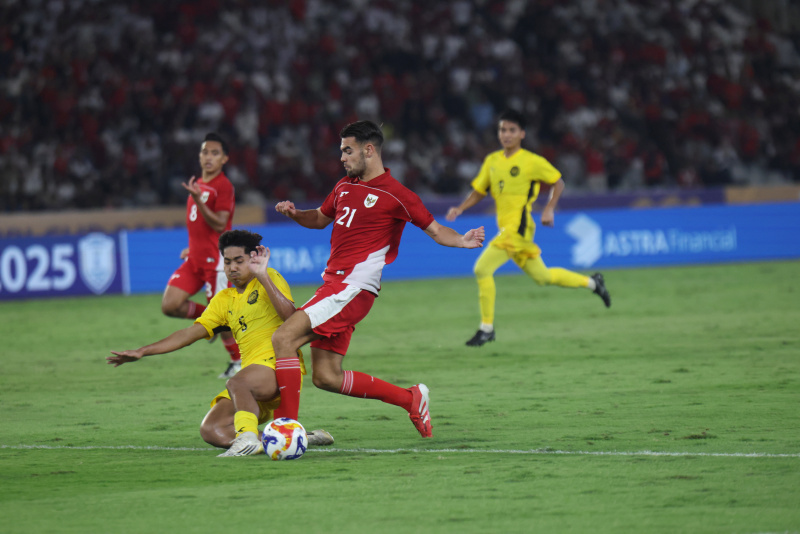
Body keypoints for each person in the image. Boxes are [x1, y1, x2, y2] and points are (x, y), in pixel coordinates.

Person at [270, 120, 486, 439]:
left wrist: (462, 241)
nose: (342, 158)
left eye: (348, 150)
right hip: (334, 285)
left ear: (369, 150)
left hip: (352, 289)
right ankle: (410, 398)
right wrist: (296, 214)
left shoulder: (398, 195)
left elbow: (436, 229)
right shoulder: (344, 187)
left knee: (282, 339)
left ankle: (285, 430)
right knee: (326, 376)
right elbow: (319, 218)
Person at [108, 230, 334, 456]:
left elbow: (291, 317)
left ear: (253, 259)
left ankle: (247, 439)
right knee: (211, 430)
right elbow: (189, 334)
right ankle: (296, 439)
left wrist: (263, 276)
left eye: (239, 261)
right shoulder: (223, 299)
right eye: (227, 262)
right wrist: (142, 351)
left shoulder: (269, 278)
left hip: (277, 366)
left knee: (236, 383)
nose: (232, 267)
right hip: (252, 377)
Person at [446, 109, 611, 347]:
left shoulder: (531, 161)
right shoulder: (492, 161)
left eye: (512, 130)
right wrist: (461, 208)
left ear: (522, 134)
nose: (507, 134)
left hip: (518, 230)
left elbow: (558, 181)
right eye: (503, 129)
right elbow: (480, 190)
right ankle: (594, 283)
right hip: (511, 231)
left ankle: (486, 328)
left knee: (482, 268)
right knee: (543, 277)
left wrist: (549, 207)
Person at [161, 132, 243, 379]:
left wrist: (198, 200)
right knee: (170, 305)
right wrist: (193, 247)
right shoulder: (198, 182)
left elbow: (219, 224)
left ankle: (238, 363)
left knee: (223, 316)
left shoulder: (223, 186)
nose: (209, 157)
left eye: (215, 153)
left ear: (225, 159)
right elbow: (198, 226)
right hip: (195, 258)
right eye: (205, 152)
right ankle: (213, 321)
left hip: (216, 263)